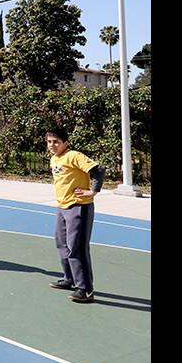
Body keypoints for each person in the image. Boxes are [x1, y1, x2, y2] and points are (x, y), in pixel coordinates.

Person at [46, 127, 105, 304]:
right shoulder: (54, 159)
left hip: (78, 207)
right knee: (61, 243)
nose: (52, 145)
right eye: (49, 141)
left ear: (65, 143)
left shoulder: (74, 156)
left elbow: (98, 169)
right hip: (62, 207)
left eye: (56, 141)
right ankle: (70, 279)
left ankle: (86, 289)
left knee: (76, 248)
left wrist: (93, 191)